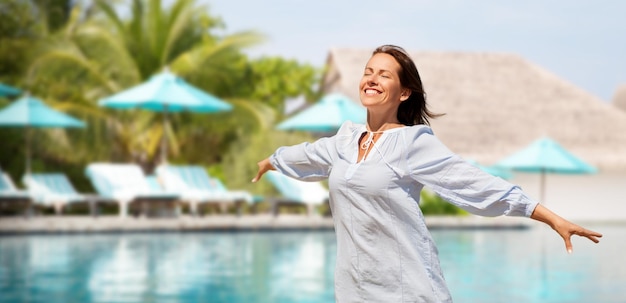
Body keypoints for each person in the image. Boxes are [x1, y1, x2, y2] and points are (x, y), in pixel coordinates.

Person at [252, 44, 602, 302]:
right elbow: (307, 155)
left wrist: (548, 216)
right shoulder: (344, 140)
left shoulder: (412, 143)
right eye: (368, 72)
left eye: (383, 74)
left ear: (404, 92)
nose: (371, 78)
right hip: (353, 291)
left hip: (409, 291)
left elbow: (473, 182)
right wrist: (272, 160)